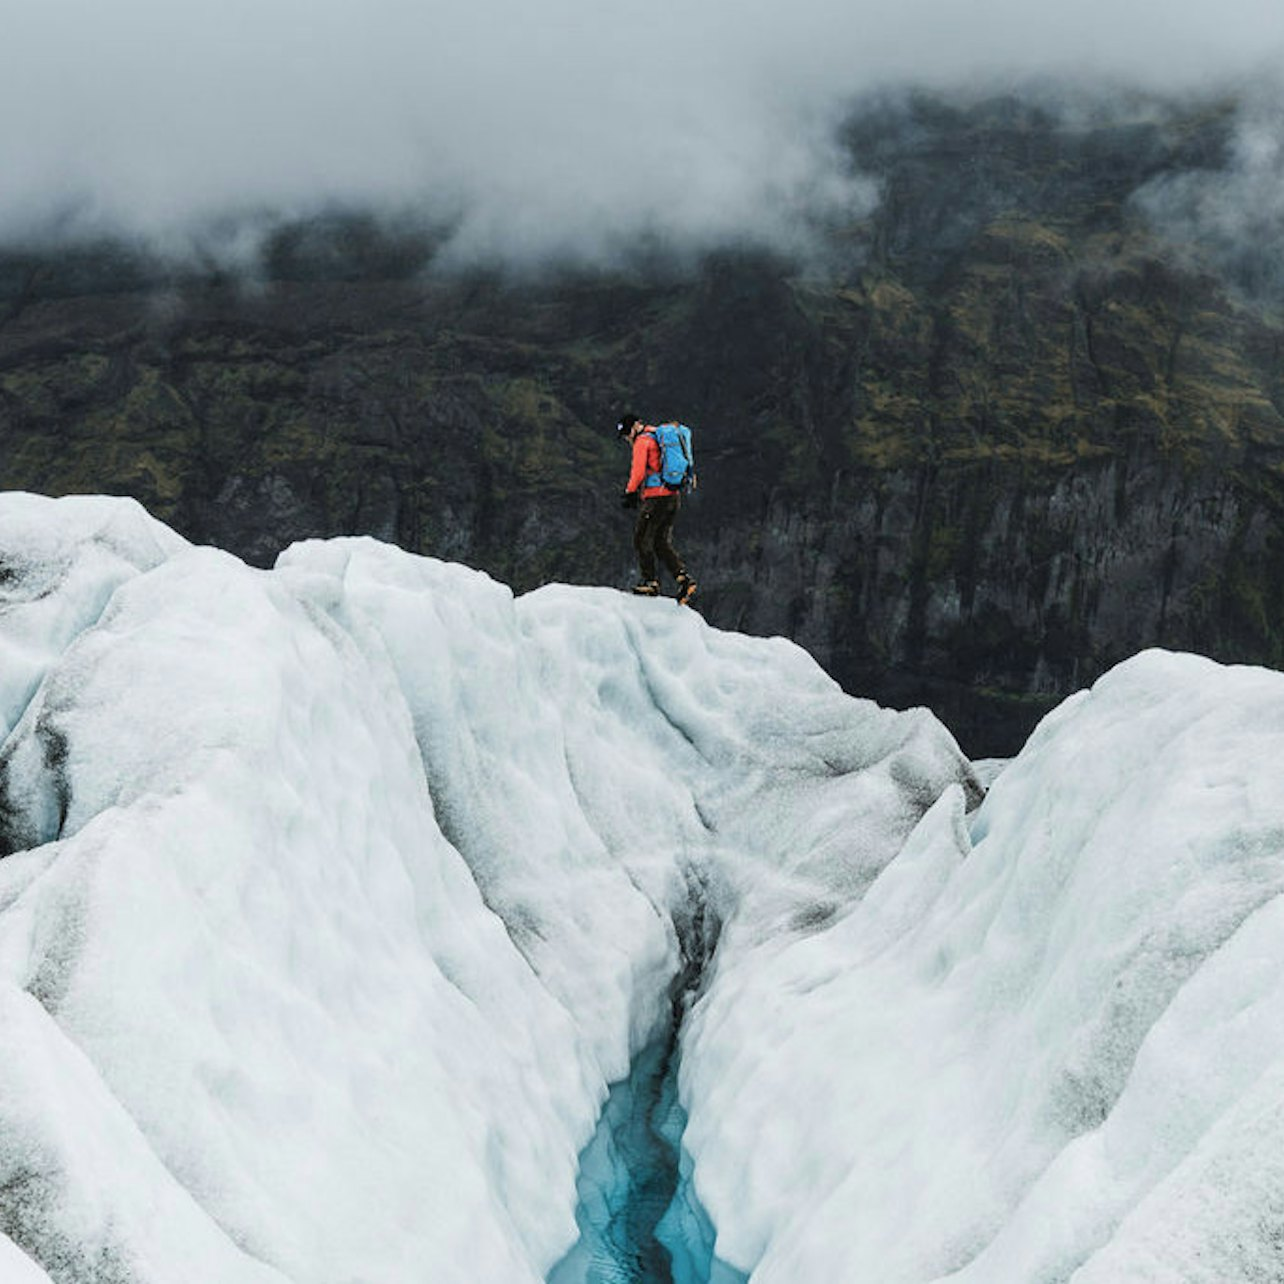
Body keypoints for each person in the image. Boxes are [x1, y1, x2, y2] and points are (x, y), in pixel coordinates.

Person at [617, 413, 697, 603]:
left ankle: (650, 582)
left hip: (656, 499)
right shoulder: (658, 437)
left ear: (636, 426)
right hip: (673, 498)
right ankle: (684, 579)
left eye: (628, 433)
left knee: (641, 538)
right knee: (660, 542)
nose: (628, 438)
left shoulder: (642, 442)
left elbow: (637, 472)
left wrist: (630, 492)